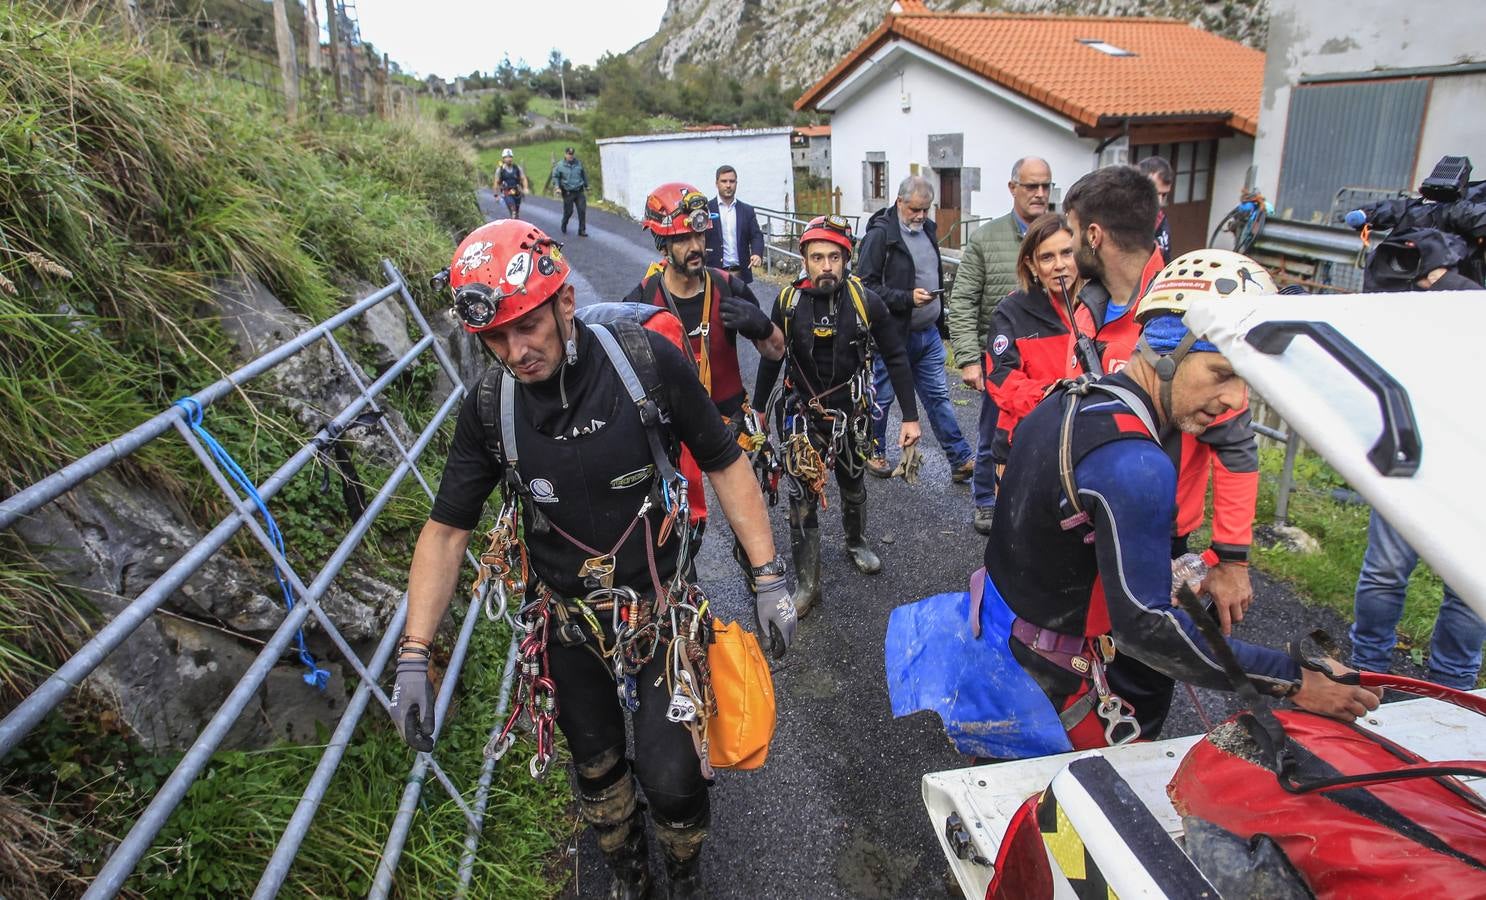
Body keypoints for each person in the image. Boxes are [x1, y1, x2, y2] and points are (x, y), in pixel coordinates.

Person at [390, 219, 795, 898]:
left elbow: (725, 464)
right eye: (496, 337)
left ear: (564, 304)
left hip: (660, 612)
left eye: (527, 326)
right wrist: (413, 652)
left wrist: (767, 575)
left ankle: (685, 872)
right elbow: (446, 531)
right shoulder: (492, 408)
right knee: (599, 768)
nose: (516, 350)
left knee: (673, 777)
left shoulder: (645, 364)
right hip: (566, 621)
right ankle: (631, 875)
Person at [972, 250, 1379, 756]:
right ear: (1166, 354)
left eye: (1246, 383)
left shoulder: (1070, 397)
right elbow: (1147, 631)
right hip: (1053, 693)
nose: (1236, 403)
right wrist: (1294, 679)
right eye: (1221, 373)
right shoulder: (1136, 462)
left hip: (999, 643)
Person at [753, 215, 921, 617]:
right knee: (801, 496)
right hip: (802, 413)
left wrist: (911, 418)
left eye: (833, 257)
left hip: (850, 413)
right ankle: (808, 584)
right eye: (817, 257)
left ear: (846, 259)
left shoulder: (866, 301)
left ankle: (856, 540)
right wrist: (758, 408)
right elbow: (772, 358)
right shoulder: (788, 302)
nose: (826, 265)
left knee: (852, 480)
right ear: (805, 260)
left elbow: (896, 356)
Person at [625, 181, 785, 578]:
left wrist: (763, 327)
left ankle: (758, 580)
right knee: (680, 527)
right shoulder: (643, 299)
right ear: (662, 244)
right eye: (682, 238)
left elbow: (777, 351)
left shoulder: (729, 287)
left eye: (699, 234)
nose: (695, 245)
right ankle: (685, 593)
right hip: (673, 431)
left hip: (729, 421)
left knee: (748, 520)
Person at [948, 156, 1053, 534]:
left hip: (1052, 358)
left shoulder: (1062, 238)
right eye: (1031, 186)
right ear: (1013, 188)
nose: (1040, 194)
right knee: (996, 432)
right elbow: (961, 300)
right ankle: (986, 500)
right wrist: (967, 359)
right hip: (1000, 358)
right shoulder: (986, 240)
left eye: (1045, 186)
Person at [856, 175, 974, 482]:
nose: (921, 216)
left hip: (928, 334)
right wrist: (906, 299)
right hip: (892, 335)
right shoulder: (880, 236)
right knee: (882, 398)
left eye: (926, 209)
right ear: (899, 202)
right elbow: (865, 287)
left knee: (938, 397)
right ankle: (874, 450)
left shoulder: (928, 230)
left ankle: (960, 459)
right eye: (915, 209)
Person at [982, 213, 1083, 469]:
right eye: (1047, 257)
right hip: (1024, 445)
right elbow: (1000, 378)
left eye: (1067, 253)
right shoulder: (1012, 310)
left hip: (1084, 443)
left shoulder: (1099, 306)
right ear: (1031, 265)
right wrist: (1053, 398)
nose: (1060, 265)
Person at [1352, 510, 1486, 690]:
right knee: (1385, 572)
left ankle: (1452, 690)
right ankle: (1368, 672)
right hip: (1405, 485)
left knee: (1468, 589)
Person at [704, 165, 765, 284]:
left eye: (732, 181)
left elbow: (756, 235)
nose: (728, 185)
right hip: (714, 275)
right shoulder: (707, 210)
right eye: (724, 181)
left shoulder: (747, 210)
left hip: (740, 275)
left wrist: (757, 254)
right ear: (717, 183)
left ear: (736, 183)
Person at [1139, 155, 1174, 263]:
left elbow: (1166, 259)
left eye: (1164, 195)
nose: (1159, 201)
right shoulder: (1117, 221)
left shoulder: (1161, 220)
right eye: (1155, 193)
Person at [551, 146, 589, 236]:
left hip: (579, 191)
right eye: (569, 154)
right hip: (568, 192)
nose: (570, 156)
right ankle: (564, 222)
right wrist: (557, 187)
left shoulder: (578, 164)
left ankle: (582, 230)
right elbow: (555, 176)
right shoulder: (560, 165)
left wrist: (587, 186)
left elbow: (584, 175)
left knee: (582, 210)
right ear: (565, 154)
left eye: (572, 154)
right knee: (569, 211)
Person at [493, 148, 530, 219]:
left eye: (510, 157)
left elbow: (523, 178)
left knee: (516, 211)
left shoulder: (517, 168)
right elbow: (496, 182)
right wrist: (496, 195)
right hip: (507, 193)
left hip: (517, 193)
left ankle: (515, 223)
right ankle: (514, 222)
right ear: (503, 159)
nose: (509, 159)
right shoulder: (500, 170)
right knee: (513, 210)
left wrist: (525, 188)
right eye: (506, 157)